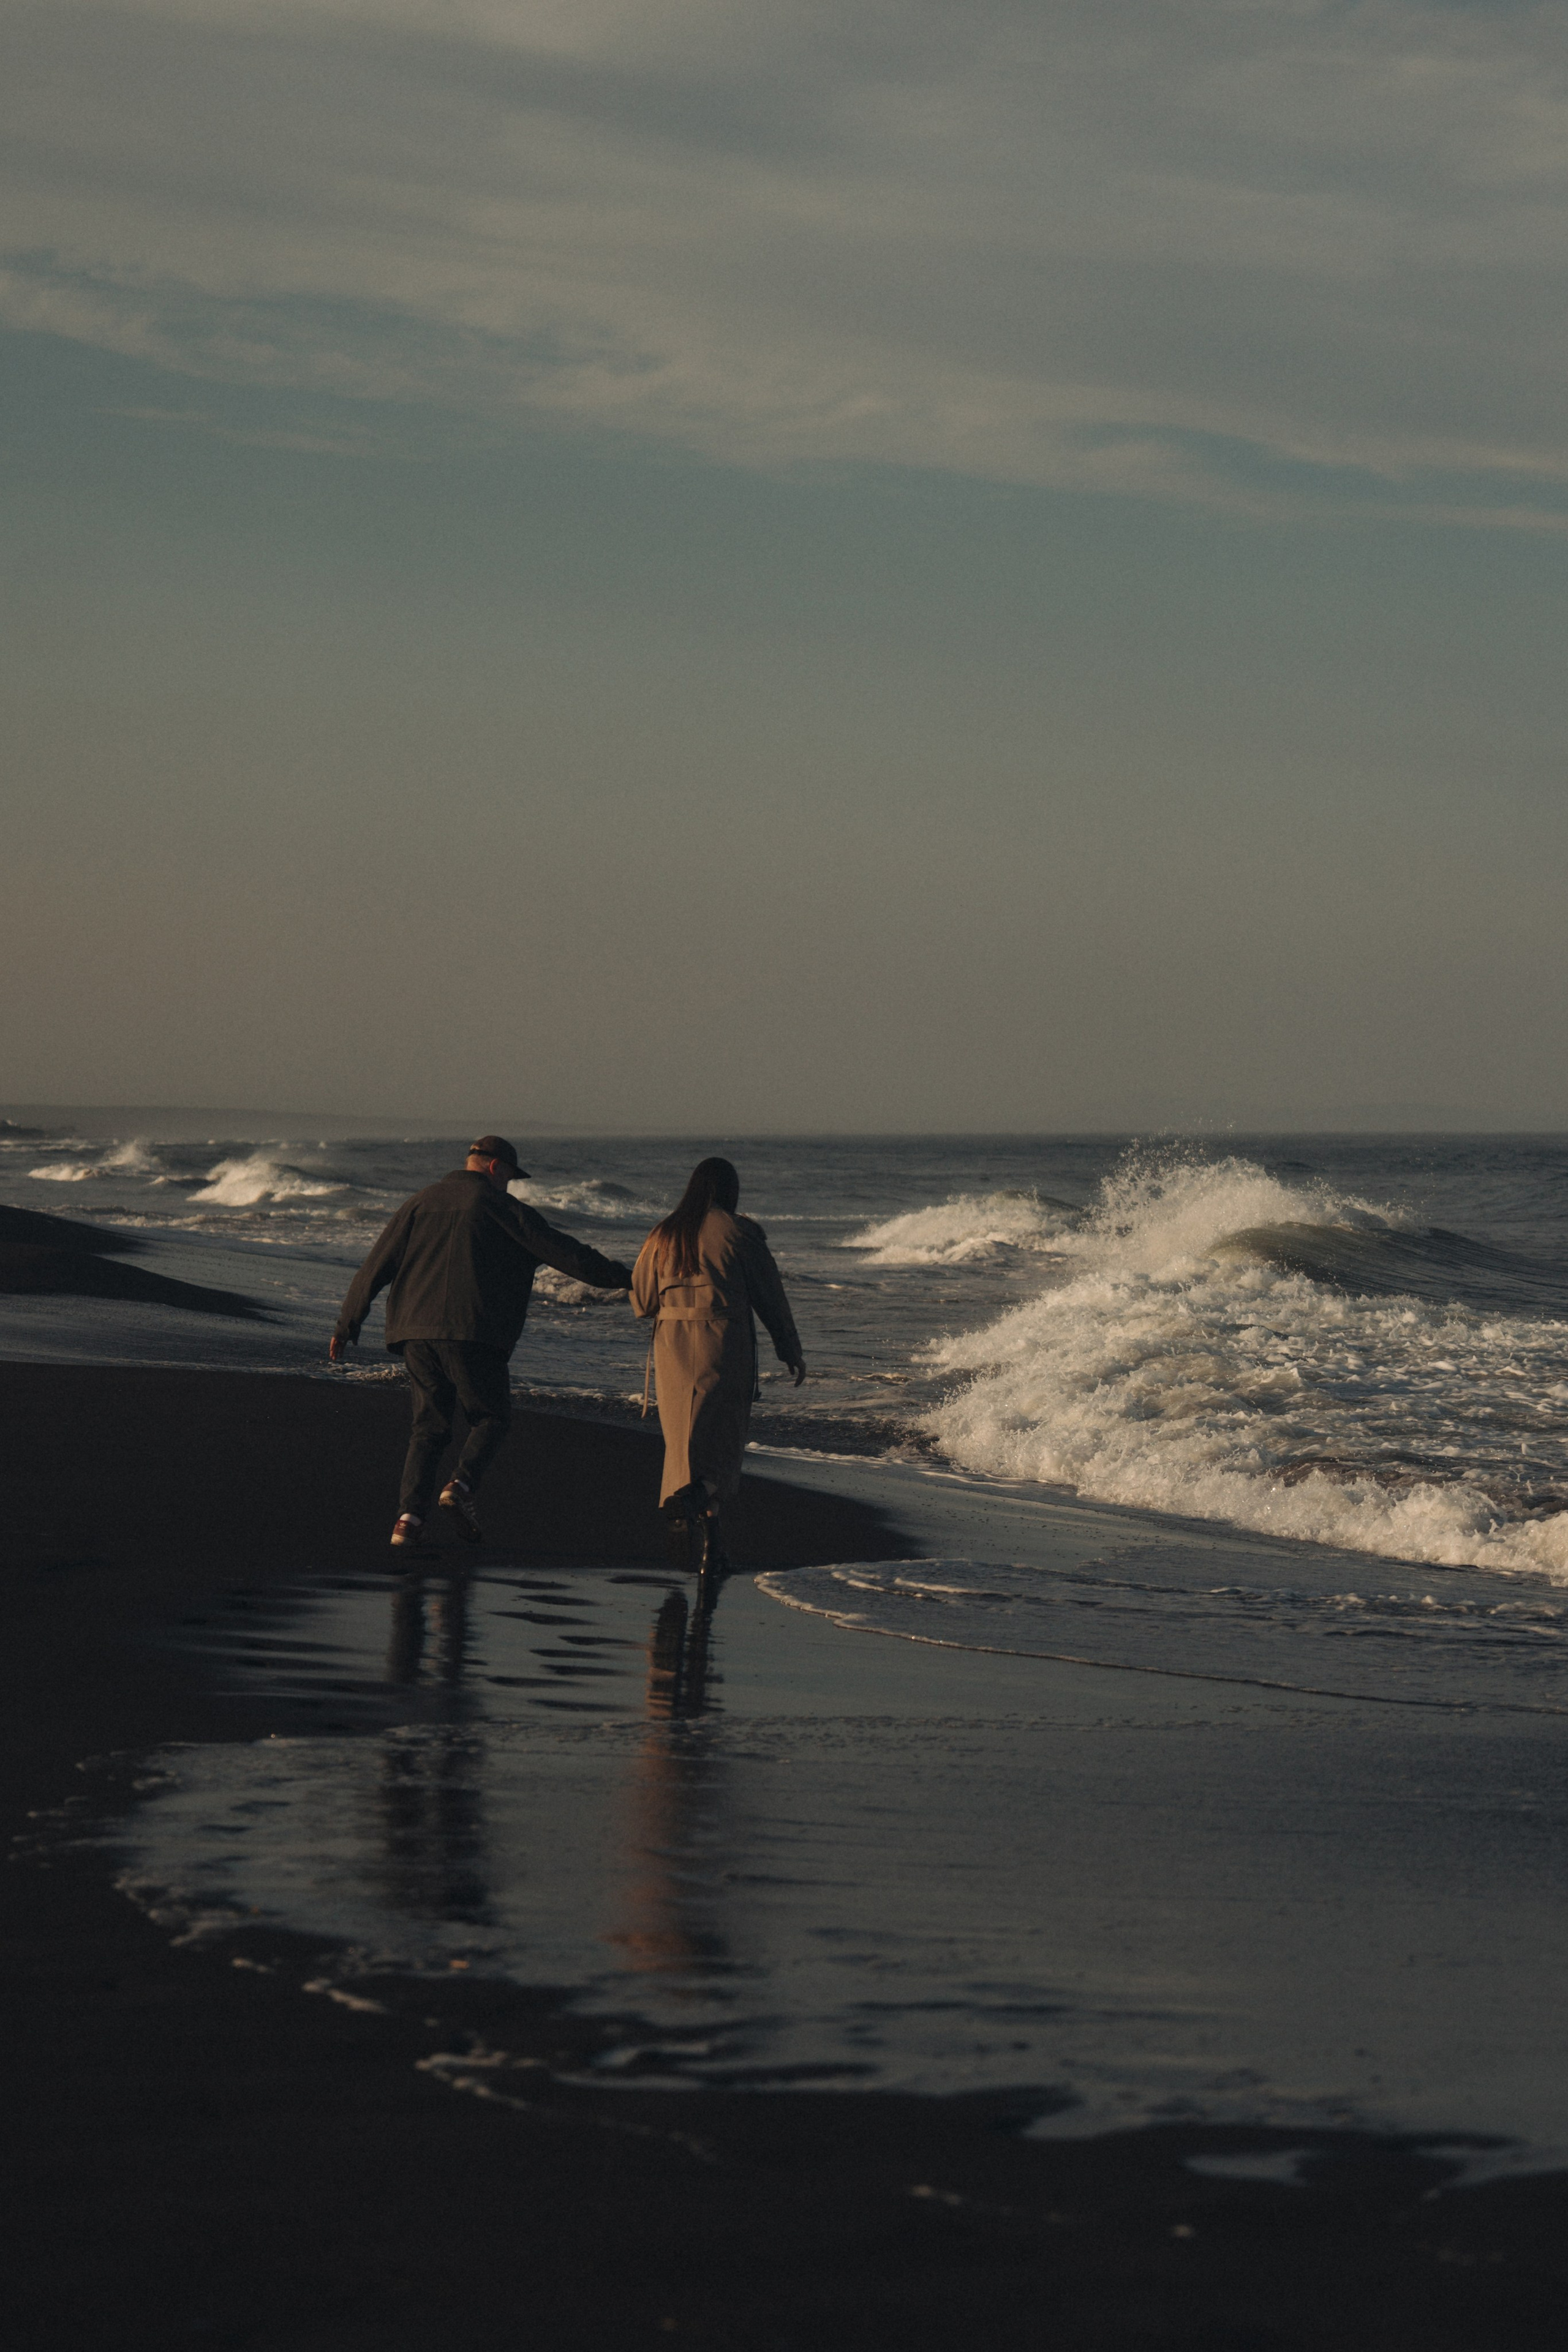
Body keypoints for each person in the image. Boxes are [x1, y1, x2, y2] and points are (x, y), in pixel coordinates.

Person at [331, 1135, 633, 1547]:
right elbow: (569, 1255)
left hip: (414, 1333)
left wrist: (347, 1325)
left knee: (428, 1429)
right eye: (509, 1176)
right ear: (495, 1168)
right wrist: (631, 1280)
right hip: (473, 1331)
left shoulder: (419, 1202)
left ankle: (407, 1522)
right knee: (491, 1417)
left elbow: (375, 1268)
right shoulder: (500, 1206)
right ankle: (461, 1486)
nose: (510, 1184)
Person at [631, 1156, 805, 1575]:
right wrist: (790, 1349)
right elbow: (770, 1297)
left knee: (684, 1448)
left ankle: (712, 1546)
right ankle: (691, 1503)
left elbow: (642, 1300)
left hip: (672, 1349)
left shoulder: (663, 1233)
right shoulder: (738, 1231)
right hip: (722, 1343)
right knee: (722, 1447)